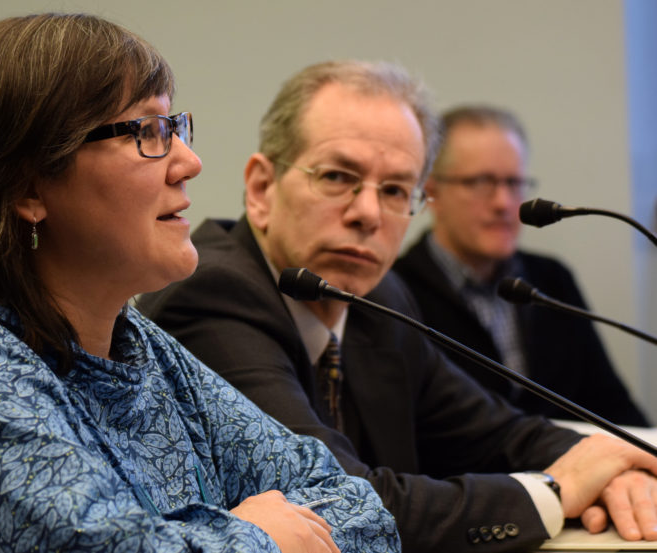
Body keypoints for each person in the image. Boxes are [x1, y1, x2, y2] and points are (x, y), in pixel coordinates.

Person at [0, 16, 400, 553]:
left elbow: (360, 509)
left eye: (176, 126)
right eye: (147, 131)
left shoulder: (136, 345)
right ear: (28, 187)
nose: (189, 162)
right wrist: (259, 537)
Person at [137, 60, 657, 553]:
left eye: (394, 190)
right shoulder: (213, 295)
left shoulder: (377, 297)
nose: (367, 214)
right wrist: (554, 490)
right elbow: (338, 503)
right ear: (261, 188)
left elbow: (497, 433)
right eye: (337, 177)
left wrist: (616, 470)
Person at [393, 105, 648, 426]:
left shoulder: (551, 279)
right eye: (481, 182)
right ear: (432, 193)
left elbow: (611, 404)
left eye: (514, 183)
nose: (503, 203)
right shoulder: (396, 291)